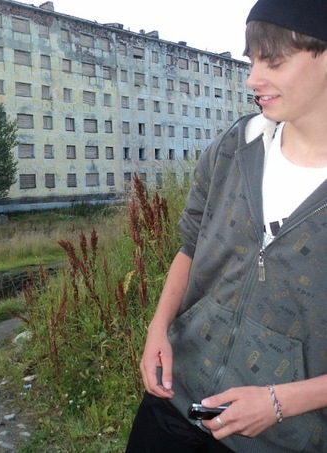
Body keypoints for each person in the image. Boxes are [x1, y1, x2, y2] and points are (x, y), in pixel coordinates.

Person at [126, 0, 327, 452]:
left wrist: (280, 402)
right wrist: (158, 327)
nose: (253, 78)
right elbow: (190, 246)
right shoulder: (234, 147)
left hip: (280, 437)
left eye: (273, 61)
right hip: (176, 400)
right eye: (252, 60)